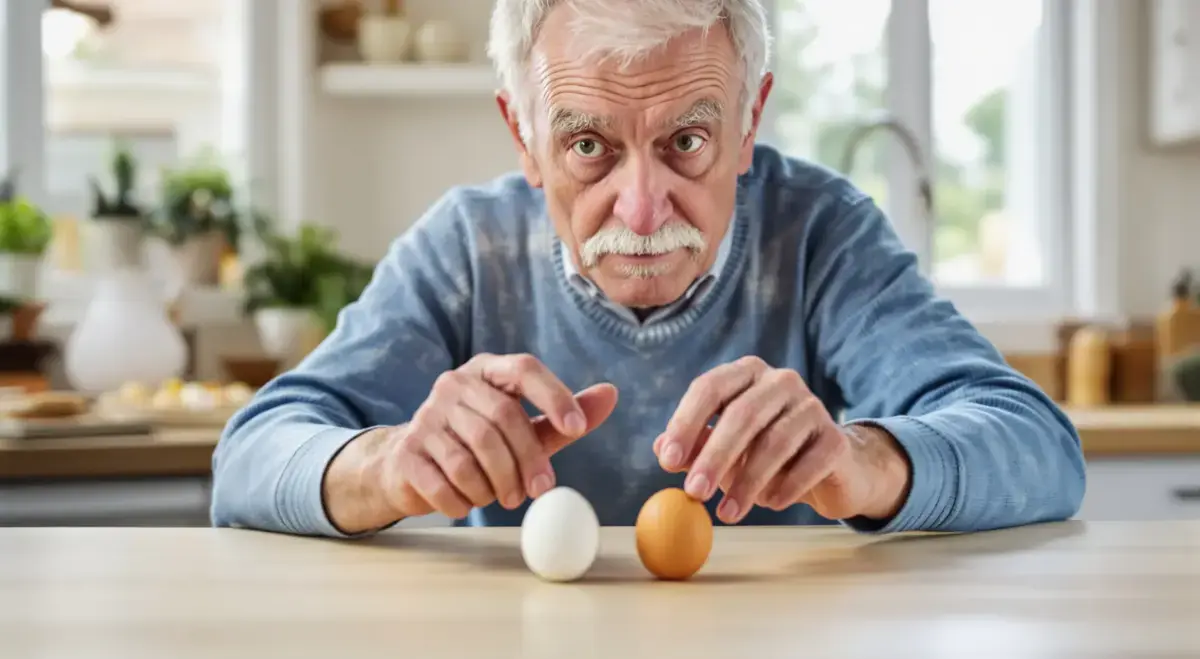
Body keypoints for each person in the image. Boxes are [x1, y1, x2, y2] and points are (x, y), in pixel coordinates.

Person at [209, 0, 1086, 538]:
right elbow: (250, 458)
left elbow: (1042, 448)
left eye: (689, 141)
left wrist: (868, 460)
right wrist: (390, 464)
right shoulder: (469, 250)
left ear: (749, 123)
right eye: (587, 144)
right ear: (525, 135)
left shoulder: (819, 235)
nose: (641, 207)